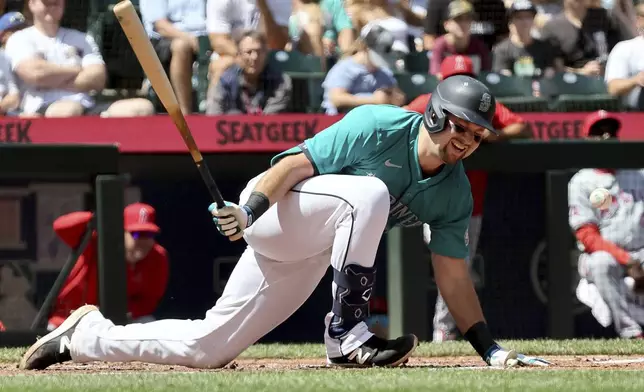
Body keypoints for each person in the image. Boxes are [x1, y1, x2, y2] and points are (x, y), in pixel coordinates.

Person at [19, 76, 549, 371]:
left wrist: (492, 351)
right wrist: (249, 209)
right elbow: (291, 165)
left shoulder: (453, 190)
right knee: (369, 191)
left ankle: (84, 337)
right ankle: (346, 335)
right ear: (435, 115)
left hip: (314, 245)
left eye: (478, 135)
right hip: (277, 210)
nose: (467, 140)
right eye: (461, 127)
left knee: (207, 349)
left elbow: (453, 275)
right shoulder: (378, 123)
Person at [405, 54, 526, 342]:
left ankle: (443, 332)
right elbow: (401, 121)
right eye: (453, 80)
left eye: (466, 79)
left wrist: (484, 137)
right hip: (421, 197)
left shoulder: (480, 106)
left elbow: (521, 125)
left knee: (457, 266)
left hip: (466, 204)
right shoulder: (426, 102)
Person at [4, 0, 154, 118]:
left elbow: (98, 79)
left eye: (56, 2)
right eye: (46, 2)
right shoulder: (20, 38)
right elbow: (35, 74)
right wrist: (77, 70)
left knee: (143, 107)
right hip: (43, 109)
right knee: (67, 111)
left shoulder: (81, 38)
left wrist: (51, 78)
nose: (52, 5)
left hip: (87, 107)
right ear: (32, 4)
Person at [570, 110, 644, 339]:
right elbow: (587, 236)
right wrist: (628, 260)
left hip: (641, 251)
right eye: (597, 132)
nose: (605, 137)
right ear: (586, 140)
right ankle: (631, 332)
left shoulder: (639, 173)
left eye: (610, 132)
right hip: (610, 255)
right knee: (600, 263)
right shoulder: (582, 180)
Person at [47, 203, 170, 331]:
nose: (143, 241)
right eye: (137, 234)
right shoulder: (97, 244)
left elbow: (149, 301)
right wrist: (97, 217)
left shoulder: (158, 256)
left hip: (118, 322)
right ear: (121, 232)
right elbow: (60, 226)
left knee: (149, 324)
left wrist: (116, 312)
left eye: (149, 235)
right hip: (71, 319)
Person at [206, 31, 292, 115]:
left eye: (258, 51)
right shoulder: (225, 81)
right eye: (249, 52)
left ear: (266, 54)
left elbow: (272, 118)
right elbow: (213, 115)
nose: (254, 57)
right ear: (239, 56)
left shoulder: (280, 82)